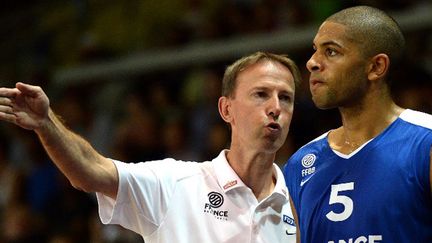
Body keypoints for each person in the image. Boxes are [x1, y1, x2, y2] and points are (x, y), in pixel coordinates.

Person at [0, 51, 302, 243]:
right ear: (226, 110)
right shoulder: (175, 183)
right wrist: (46, 122)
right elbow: (90, 172)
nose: (275, 107)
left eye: (285, 98)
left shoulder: (300, 201)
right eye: (261, 94)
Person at [283, 5, 432, 243]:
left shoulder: (425, 142)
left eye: (331, 52)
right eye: (315, 51)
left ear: (376, 67)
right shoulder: (301, 163)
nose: (312, 62)